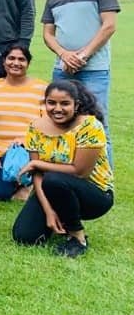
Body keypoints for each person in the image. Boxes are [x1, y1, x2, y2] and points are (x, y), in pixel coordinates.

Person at [11, 80, 113, 257]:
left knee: (53, 178)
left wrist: (37, 163)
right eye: (51, 103)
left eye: (65, 103)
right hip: (53, 188)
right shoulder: (36, 127)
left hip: (94, 195)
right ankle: (61, 218)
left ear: (76, 105)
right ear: (45, 103)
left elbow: (80, 172)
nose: (57, 109)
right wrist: (48, 210)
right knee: (24, 236)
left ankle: (77, 237)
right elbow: (38, 176)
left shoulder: (90, 126)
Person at [41, 0, 119, 162]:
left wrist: (82, 56)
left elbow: (109, 26)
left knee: (96, 124)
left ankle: (103, 178)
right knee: (61, 122)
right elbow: (48, 34)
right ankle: (67, 173)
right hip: (62, 70)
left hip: (94, 69)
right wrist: (64, 55)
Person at [0, 44, 47, 201]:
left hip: (29, 149)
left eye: (21, 59)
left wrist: (26, 140)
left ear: (28, 63)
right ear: (4, 61)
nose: (16, 63)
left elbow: (47, 123)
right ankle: (27, 182)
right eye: (11, 58)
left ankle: (29, 183)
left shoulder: (41, 87)